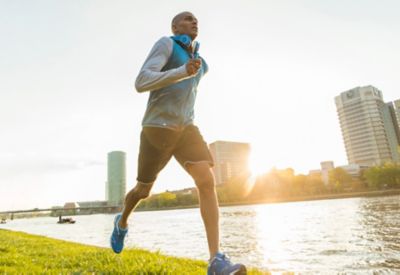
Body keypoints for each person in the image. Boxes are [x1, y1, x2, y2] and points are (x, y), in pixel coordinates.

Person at [110, 11, 247, 275]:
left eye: (196, 19)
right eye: (187, 19)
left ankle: (215, 260)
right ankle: (122, 222)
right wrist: (182, 71)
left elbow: (187, 95)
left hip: (186, 128)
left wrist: (191, 69)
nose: (194, 21)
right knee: (142, 191)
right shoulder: (167, 44)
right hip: (157, 128)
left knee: (206, 181)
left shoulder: (201, 63)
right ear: (175, 26)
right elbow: (141, 82)